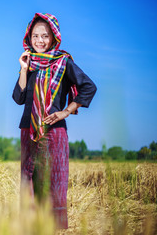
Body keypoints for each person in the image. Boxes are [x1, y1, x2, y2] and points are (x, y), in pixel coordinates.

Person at [12, 13, 97, 229]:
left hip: (53, 131)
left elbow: (89, 87)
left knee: (52, 182)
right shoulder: (29, 64)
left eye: (45, 36)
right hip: (28, 130)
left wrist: (66, 111)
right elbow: (19, 98)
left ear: (53, 38)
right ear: (28, 38)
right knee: (29, 180)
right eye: (35, 36)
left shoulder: (62, 62)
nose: (39, 41)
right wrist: (23, 69)